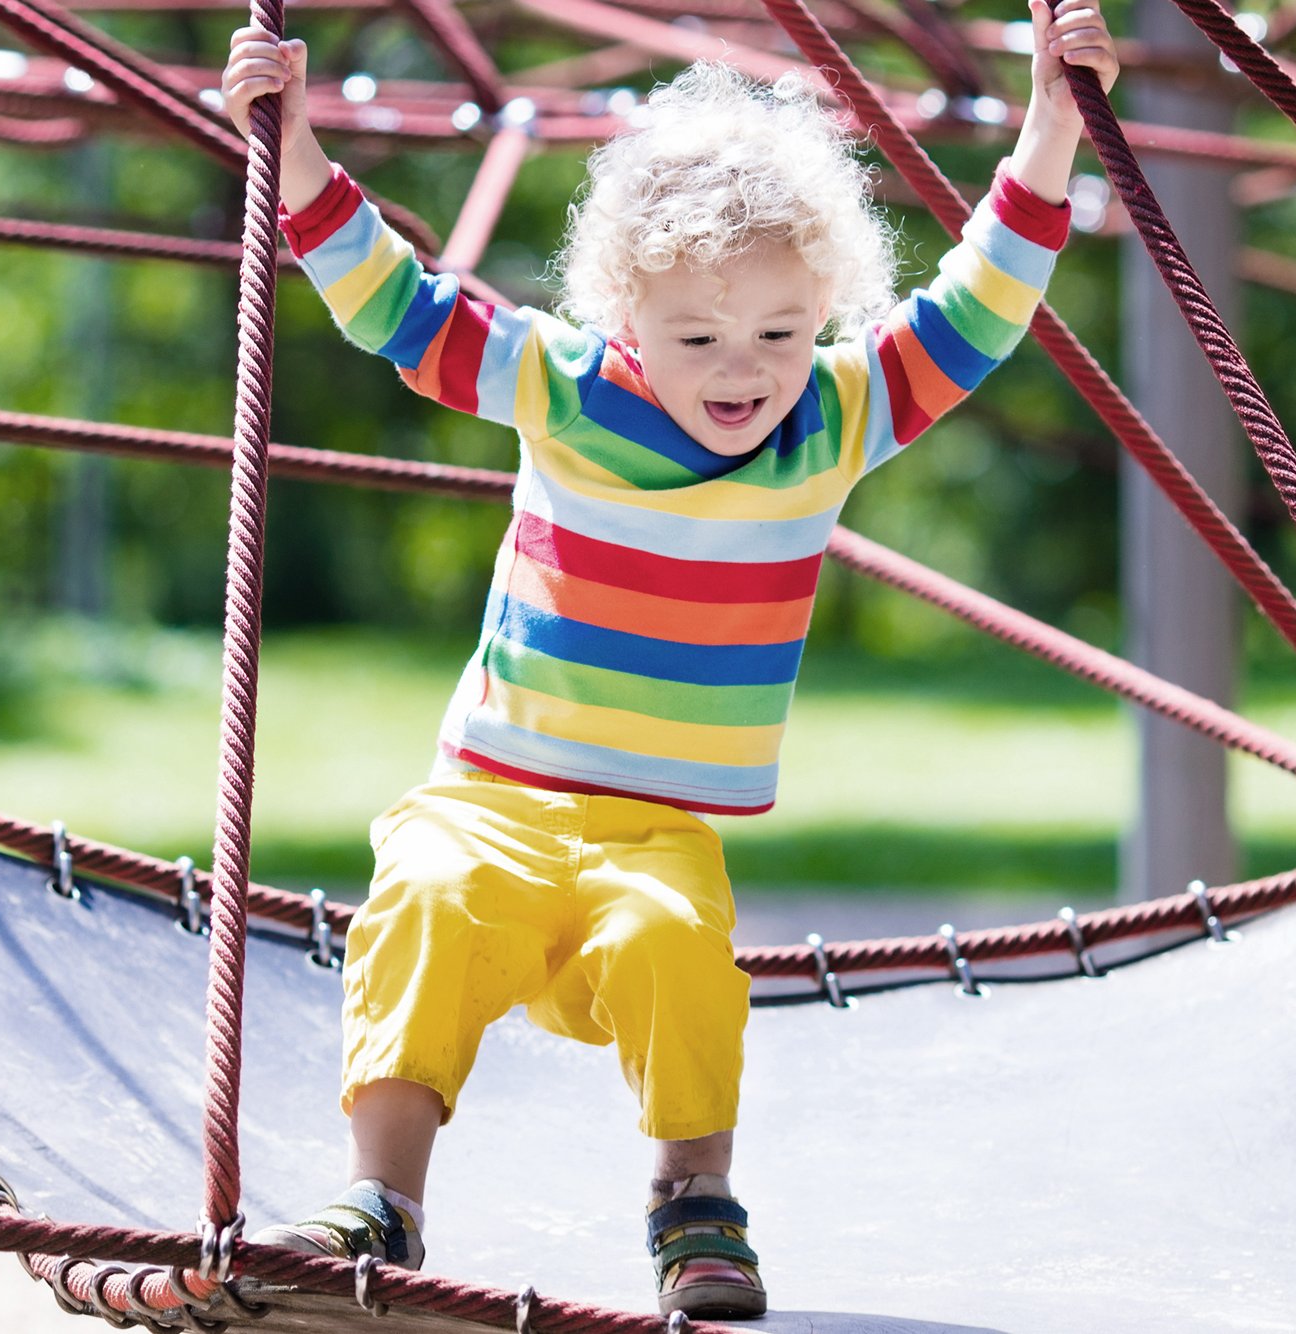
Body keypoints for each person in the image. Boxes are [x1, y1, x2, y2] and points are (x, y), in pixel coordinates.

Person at [220, 5, 1117, 1318]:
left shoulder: (840, 413)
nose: (743, 368)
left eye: (779, 329)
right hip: (494, 797)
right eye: (698, 337)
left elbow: (983, 301)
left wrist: (1051, 118)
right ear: (626, 311)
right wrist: (291, 139)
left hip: (657, 831)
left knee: (678, 948)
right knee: (426, 897)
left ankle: (692, 1195)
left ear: (826, 308)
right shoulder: (563, 385)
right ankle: (385, 1197)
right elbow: (391, 306)